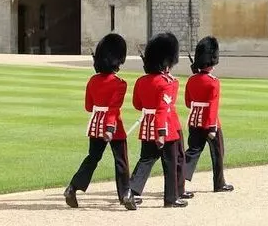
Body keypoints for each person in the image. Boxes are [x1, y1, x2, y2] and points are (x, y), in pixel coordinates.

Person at [64, 33, 137, 210]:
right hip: (113, 126)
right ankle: (126, 194)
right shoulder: (120, 83)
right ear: (117, 60)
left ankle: (72, 187)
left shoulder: (93, 81)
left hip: (95, 125)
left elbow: (89, 107)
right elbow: (113, 109)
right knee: (121, 160)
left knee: (93, 158)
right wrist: (110, 128)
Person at [127, 32, 190, 208]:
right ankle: (171, 198)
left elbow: (137, 105)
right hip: (166, 129)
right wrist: (161, 133)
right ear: (167, 62)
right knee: (170, 164)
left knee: (146, 159)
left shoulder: (141, 81)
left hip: (147, 126)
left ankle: (131, 192)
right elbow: (164, 109)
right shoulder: (168, 82)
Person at [184, 36, 234, 193]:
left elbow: (188, 102)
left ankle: (178, 182)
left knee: (192, 152)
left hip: (194, 120)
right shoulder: (213, 82)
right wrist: (212, 127)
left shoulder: (191, 80)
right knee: (218, 153)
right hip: (209, 122)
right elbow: (213, 106)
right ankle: (219, 184)